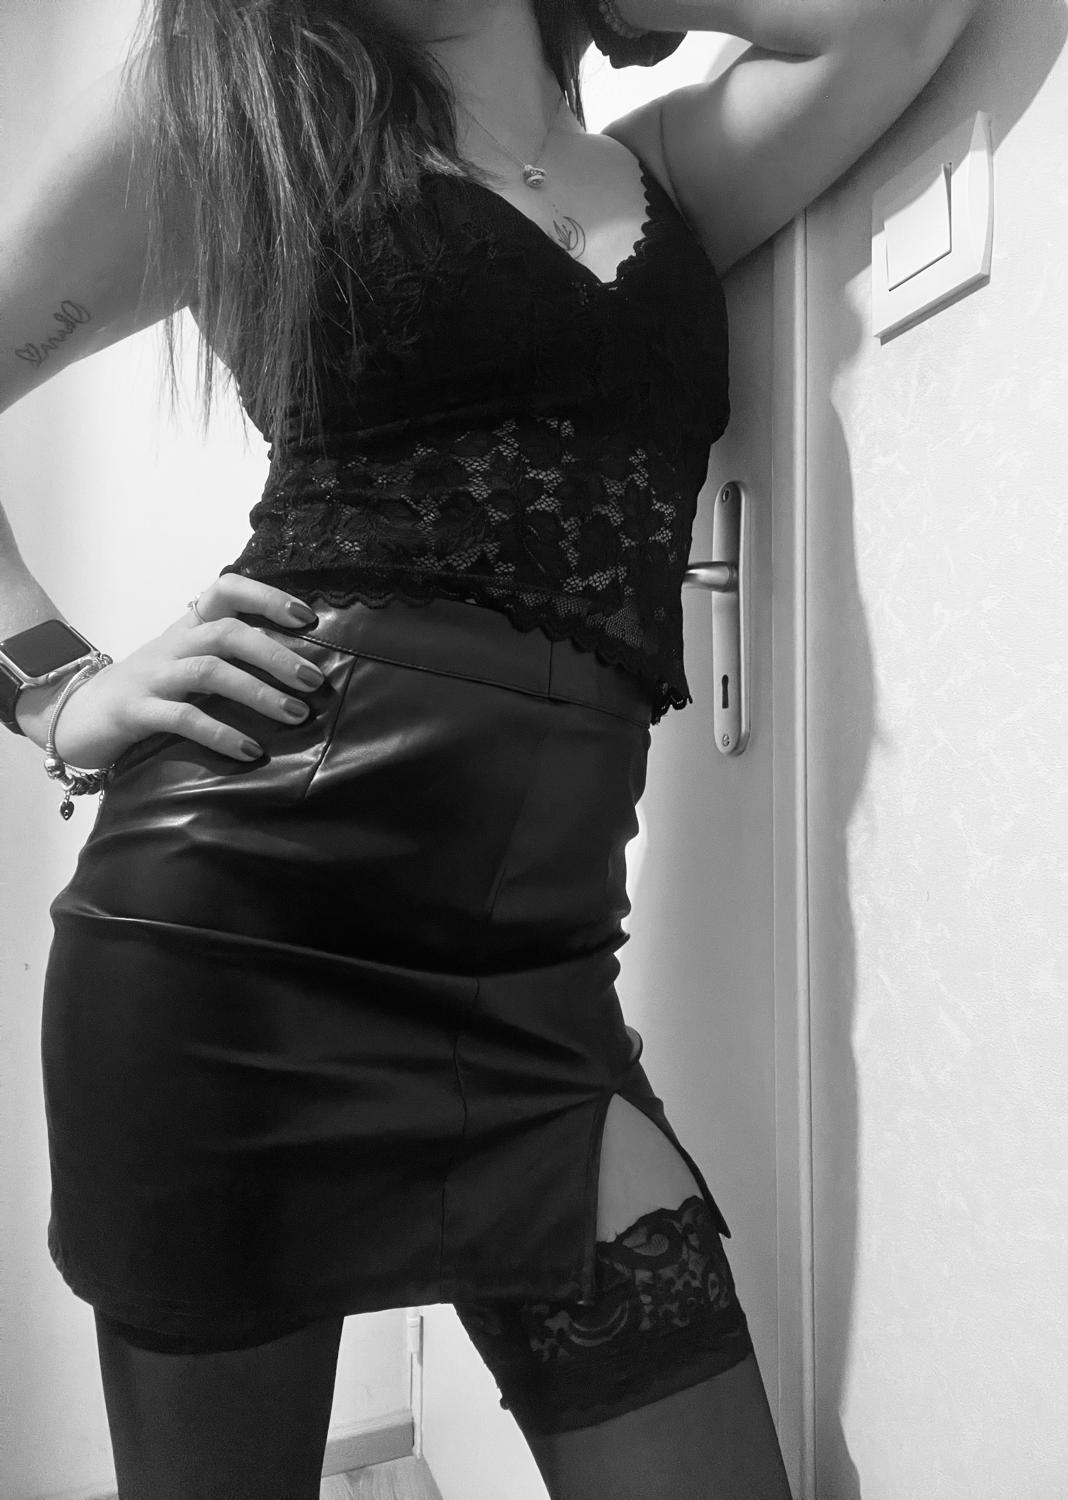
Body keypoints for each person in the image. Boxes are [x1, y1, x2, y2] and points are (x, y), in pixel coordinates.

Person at [2, 0, 972, 1493]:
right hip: (228, 945)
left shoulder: (663, 176)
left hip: (538, 981)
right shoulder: (235, 125)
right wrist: (52, 686)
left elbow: (896, 24)